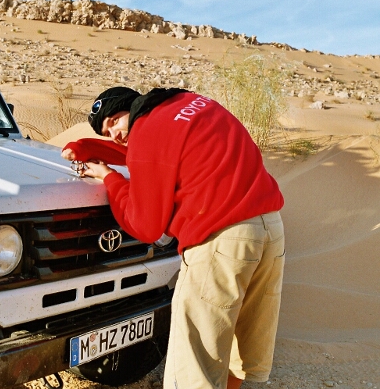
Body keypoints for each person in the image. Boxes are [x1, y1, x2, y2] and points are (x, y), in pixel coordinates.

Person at [62, 87, 285, 389]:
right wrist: (87, 147)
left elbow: (145, 225)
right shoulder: (192, 104)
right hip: (269, 231)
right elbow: (150, 156)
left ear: (133, 107)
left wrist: (111, 179)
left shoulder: (147, 132)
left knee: (195, 364)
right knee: (242, 348)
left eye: (115, 120)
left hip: (221, 242)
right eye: (106, 131)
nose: (113, 133)